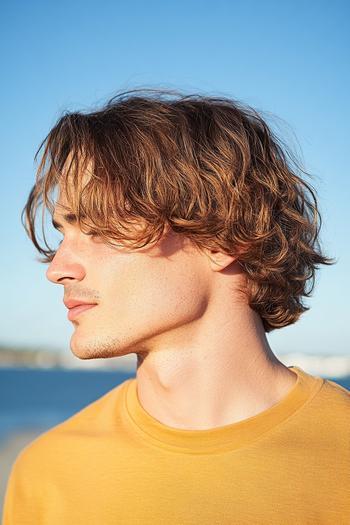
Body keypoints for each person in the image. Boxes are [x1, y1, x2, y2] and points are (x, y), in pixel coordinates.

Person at [2, 88, 349, 524]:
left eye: (101, 229)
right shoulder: (47, 474)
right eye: (64, 234)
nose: (58, 269)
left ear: (225, 237)